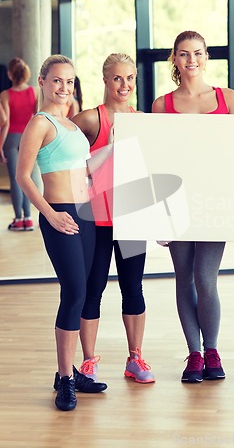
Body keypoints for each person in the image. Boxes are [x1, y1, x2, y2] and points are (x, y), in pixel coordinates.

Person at [16, 54, 107, 412]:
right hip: (61, 215)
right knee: (74, 292)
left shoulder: (69, 124)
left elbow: (86, 172)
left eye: (69, 82)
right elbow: (24, 176)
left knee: (85, 294)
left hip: (86, 214)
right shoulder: (40, 123)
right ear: (42, 82)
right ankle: (65, 380)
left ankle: (69, 372)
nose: (63, 88)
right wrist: (51, 214)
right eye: (56, 81)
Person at [152, 30, 234, 382]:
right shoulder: (162, 104)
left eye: (198, 53)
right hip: (176, 203)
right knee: (183, 278)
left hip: (214, 201)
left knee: (206, 279)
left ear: (207, 57)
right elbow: (155, 159)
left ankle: (212, 350)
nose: (192, 60)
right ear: (175, 58)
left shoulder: (227, 97)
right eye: (185, 54)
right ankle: (193, 354)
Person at [73, 53, 155, 384]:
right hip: (95, 220)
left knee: (132, 288)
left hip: (132, 219)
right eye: (118, 78)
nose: (125, 85)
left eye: (130, 78)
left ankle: (135, 359)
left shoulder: (142, 120)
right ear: (105, 80)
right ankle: (88, 362)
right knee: (93, 289)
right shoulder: (91, 119)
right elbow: (64, 155)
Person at [0, 57, 41, 231]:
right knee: (27, 178)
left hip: (11, 139)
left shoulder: (5, 94)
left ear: (10, 74)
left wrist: (0, 146)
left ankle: (18, 219)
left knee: (16, 180)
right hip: (29, 138)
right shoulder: (36, 92)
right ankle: (29, 218)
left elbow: (6, 122)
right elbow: (37, 117)